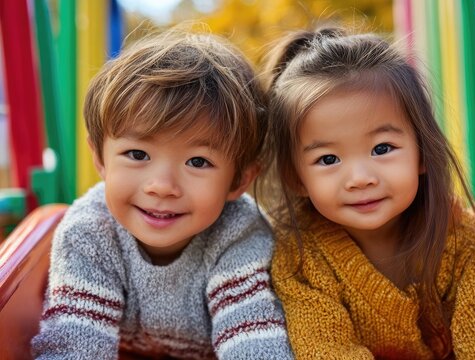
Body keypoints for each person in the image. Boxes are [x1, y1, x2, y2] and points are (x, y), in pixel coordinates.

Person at [261, 27, 475, 359]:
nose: (360, 178)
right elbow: (324, 348)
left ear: (422, 153)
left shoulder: (457, 238)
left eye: (382, 148)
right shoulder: (300, 259)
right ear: (295, 177)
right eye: (328, 159)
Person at [31, 29, 293, 359]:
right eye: (137, 155)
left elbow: (254, 340)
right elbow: (75, 341)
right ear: (100, 158)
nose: (162, 186)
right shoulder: (90, 231)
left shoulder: (240, 234)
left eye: (198, 161)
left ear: (238, 181)